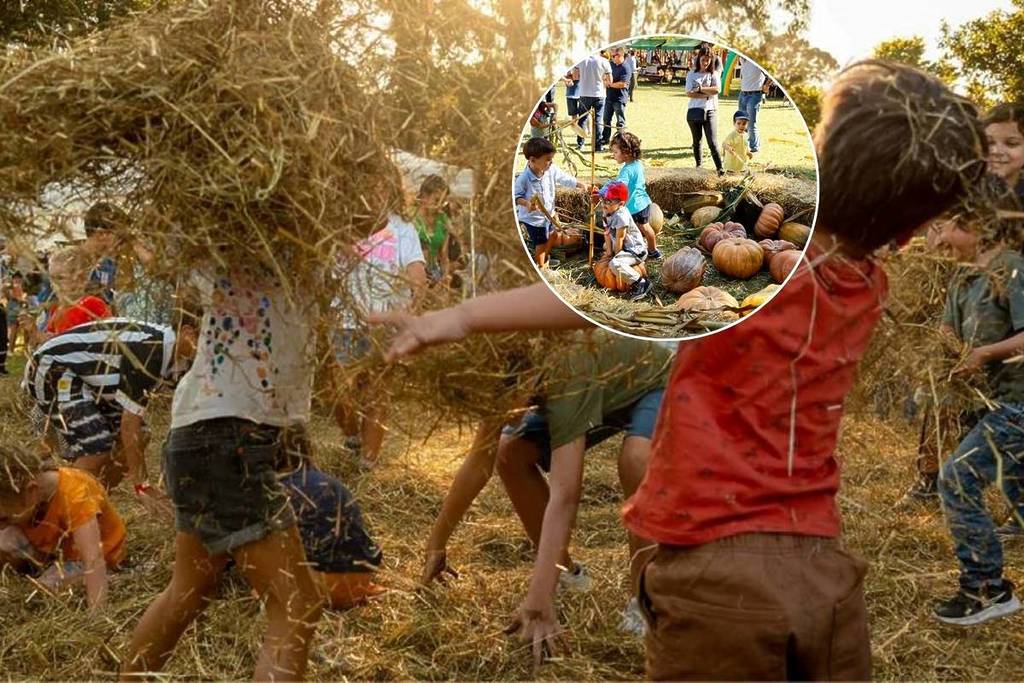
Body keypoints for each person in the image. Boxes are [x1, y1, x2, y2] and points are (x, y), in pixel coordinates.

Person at [371, 59, 987, 678]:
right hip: (824, 573)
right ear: (906, 236)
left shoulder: (755, 301)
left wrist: (455, 319)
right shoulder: (867, 288)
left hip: (716, 580)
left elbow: (583, 309)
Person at [122, 263, 326, 681]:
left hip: (205, 432)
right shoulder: (236, 235)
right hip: (228, 437)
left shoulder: (259, 238)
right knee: (296, 605)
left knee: (189, 589)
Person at [929, 198, 1024, 625]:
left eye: (946, 226)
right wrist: (951, 349)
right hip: (989, 400)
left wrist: (983, 354)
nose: (938, 238)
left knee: (957, 478)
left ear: (977, 227)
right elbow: (947, 327)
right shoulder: (962, 277)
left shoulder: (1011, 269)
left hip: (1018, 403)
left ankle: (986, 588)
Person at [24, 316, 195, 512]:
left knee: (142, 436)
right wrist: (143, 486)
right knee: (96, 447)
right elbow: (129, 425)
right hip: (54, 368)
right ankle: (63, 513)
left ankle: (94, 500)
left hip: (92, 382)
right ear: (188, 333)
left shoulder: (180, 356)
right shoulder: (150, 351)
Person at [332, 167, 427, 469]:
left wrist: (414, 298)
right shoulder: (336, 226)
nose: (376, 193)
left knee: (377, 392)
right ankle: (351, 433)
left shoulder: (402, 228)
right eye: (368, 186)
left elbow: (416, 270)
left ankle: (367, 465)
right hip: (344, 322)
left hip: (384, 324)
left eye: (381, 187)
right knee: (341, 392)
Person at [0, 445, 126, 612]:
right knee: (5, 539)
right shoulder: (23, 499)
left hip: (92, 558)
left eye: (4, 518)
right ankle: (39, 569)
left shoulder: (75, 494)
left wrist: (97, 617)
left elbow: (93, 558)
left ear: (32, 491)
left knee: (43, 589)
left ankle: (117, 578)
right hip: (52, 551)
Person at [278, 434, 385, 610]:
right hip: (360, 582)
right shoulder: (329, 482)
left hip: (320, 590)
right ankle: (358, 587)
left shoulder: (272, 490)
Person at [513, 137, 587, 269]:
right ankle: (541, 266)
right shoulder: (524, 179)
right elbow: (516, 196)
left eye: (551, 159)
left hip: (549, 214)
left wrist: (578, 184)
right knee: (541, 243)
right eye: (547, 159)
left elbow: (564, 178)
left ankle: (545, 258)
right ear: (532, 160)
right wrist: (527, 204)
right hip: (534, 219)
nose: (551, 162)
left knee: (553, 235)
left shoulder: (550, 170)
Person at [607, 132, 659, 257]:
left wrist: (604, 191)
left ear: (626, 152)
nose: (613, 156)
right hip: (643, 202)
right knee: (644, 228)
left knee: (641, 228)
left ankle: (646, 250)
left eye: (615, 152)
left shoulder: (627, 170)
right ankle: (653, 250)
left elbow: (618, 187)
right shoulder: (637, 164)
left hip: (634, 206)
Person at [600, 180, 651, 300]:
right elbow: (607, 233)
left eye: (608, 201)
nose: (603, 203)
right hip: (623, 246)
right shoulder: (607, 211)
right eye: (602, 199)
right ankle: (618, 259)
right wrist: (608, 253)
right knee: (604, 247)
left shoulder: (621, 216)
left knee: (615, 264)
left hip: (634, 250)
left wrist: (615, 256)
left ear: (621, 204)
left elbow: (620, 239)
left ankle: (640, 283)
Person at [685, 48, 724, 175]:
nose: (705, 62)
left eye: (708, 60)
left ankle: (720, 169)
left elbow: (717, 90)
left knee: (712, 142)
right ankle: (698, 166)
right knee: (697, 141)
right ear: (699, 59)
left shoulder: (714, 74)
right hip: (694, 111)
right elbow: (689, 93)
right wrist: (706, 93)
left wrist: (701, 89)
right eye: (703, 59)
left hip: (710, 110)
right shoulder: (692, 74)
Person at [412, 175, 453, 285]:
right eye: (436, 200)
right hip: (412, 276)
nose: (439, 205)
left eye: (443, 202)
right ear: (424, 196)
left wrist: (445, 277)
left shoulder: (443, 220)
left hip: (434, 275)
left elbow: (444, 255)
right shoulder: (411, 218)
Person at [81, 202, 123, 305]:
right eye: (119, 236)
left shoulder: (110, 263)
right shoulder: (70, 265)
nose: (121, 241)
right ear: (102, 234)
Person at [573, 53, 612, 151]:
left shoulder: (581, 59)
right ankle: (598, 145)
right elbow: (610, 80)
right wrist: (604, 82)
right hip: (599, 94)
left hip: (584, 93)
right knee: (598, 120)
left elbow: (575, 76)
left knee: (582, 119)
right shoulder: (604, 61)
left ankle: (580, 144)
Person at [600, 47, 633, 148]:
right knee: (606, 119)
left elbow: (623, 84)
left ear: (620, 56)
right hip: (609, 97)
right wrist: (606, 81)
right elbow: (604, 76)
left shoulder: (626, 68)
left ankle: (621, 141)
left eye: (614, 56)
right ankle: (605, 139)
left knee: (620, 121)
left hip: (619, 99)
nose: (612, 58)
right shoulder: (611, 65)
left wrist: (609, 84)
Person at [737, 57, 769, 155]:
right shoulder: (742, 59)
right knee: (741, 122)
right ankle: (743, 145)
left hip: (755, 94)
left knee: (751, 123)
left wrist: (766, 85)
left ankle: (754, 148)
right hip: (743, 94)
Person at [563, 67, 584, 149]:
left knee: (584, 115)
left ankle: (586, 131)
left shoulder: (580, 65)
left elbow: (576, 76)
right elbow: (566, 78)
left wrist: (570, 75)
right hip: (570, 93)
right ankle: (576, 131)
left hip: (581, 93)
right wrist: (568, 76)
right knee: (573, 115)